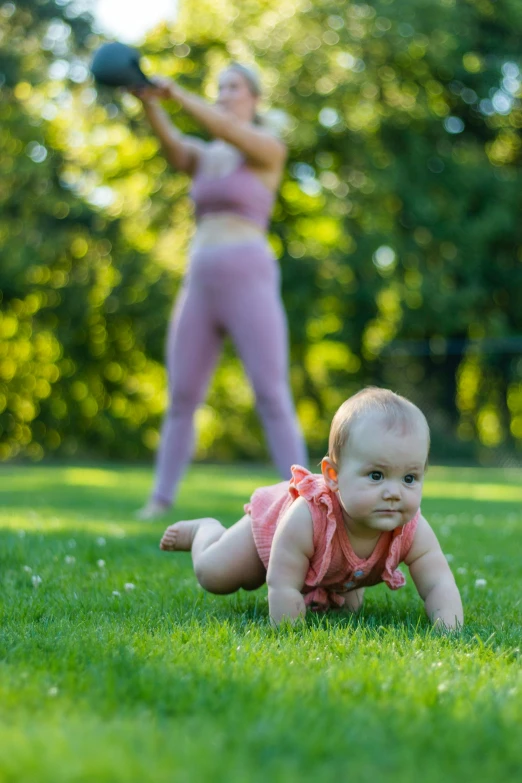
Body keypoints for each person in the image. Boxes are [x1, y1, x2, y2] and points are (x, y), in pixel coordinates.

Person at [131, 62, 307, 520]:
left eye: (234, 86)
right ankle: (160, 499)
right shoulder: (206, 156)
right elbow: (173, 149)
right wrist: (151, 104)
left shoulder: (267, 149)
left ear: (254, 98)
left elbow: (223, 127)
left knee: (271, 392)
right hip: (200, 278)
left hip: (248, 273)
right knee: (181, 395)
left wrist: (180, 95)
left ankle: (308, 500)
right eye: (220, 87)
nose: (225, 93)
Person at [159, 387, 464, 630]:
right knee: (216, 574)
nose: (394, 492)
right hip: (270, 536)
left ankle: (328, 587)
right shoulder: (307, 517)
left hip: (332, 564)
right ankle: (205, 530)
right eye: (376, 475)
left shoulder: (410, 527)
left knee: (349, 607)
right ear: (333, 476)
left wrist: (448, 628)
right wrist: (289, 630)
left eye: (409, 478)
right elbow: (282, 579)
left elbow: (439, 580)